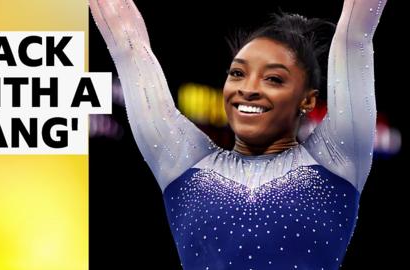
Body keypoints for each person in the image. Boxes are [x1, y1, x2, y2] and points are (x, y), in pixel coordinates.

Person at [89, 0, 387, 269]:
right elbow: (127, 45)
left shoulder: (337, 159)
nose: (248, 89)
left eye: (273, 78)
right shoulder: (183, 163)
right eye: (237, 74)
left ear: (307, 100)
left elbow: (354, 37)